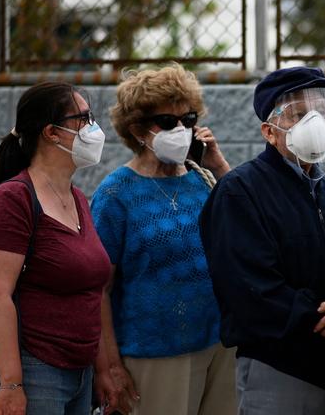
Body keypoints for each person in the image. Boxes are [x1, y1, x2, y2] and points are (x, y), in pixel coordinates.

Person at [199, 67, 325, 415]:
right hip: (280, 371)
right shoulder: (240, 193)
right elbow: (248, 288)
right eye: (300, 114)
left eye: (321, 112)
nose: (315, 123)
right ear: (269, 132)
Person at [90, 64, 235, 415]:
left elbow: (247, 224)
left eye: (188, 119)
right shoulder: (116, 194)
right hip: (154, 351)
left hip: (220, 342)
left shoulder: (202, 179)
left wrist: (218, 164)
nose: (181, 129)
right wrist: (109, 367)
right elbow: (98, 289)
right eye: (168, 122)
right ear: (138, 129)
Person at [0, 82, 113, 415]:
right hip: (36, 372)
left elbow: (90, 290)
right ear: (51, 133)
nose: (94, 129)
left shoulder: (77, 198)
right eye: (83, 118)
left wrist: (103, 368)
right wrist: (11, 384)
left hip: (80, 372)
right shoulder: (13, 200)